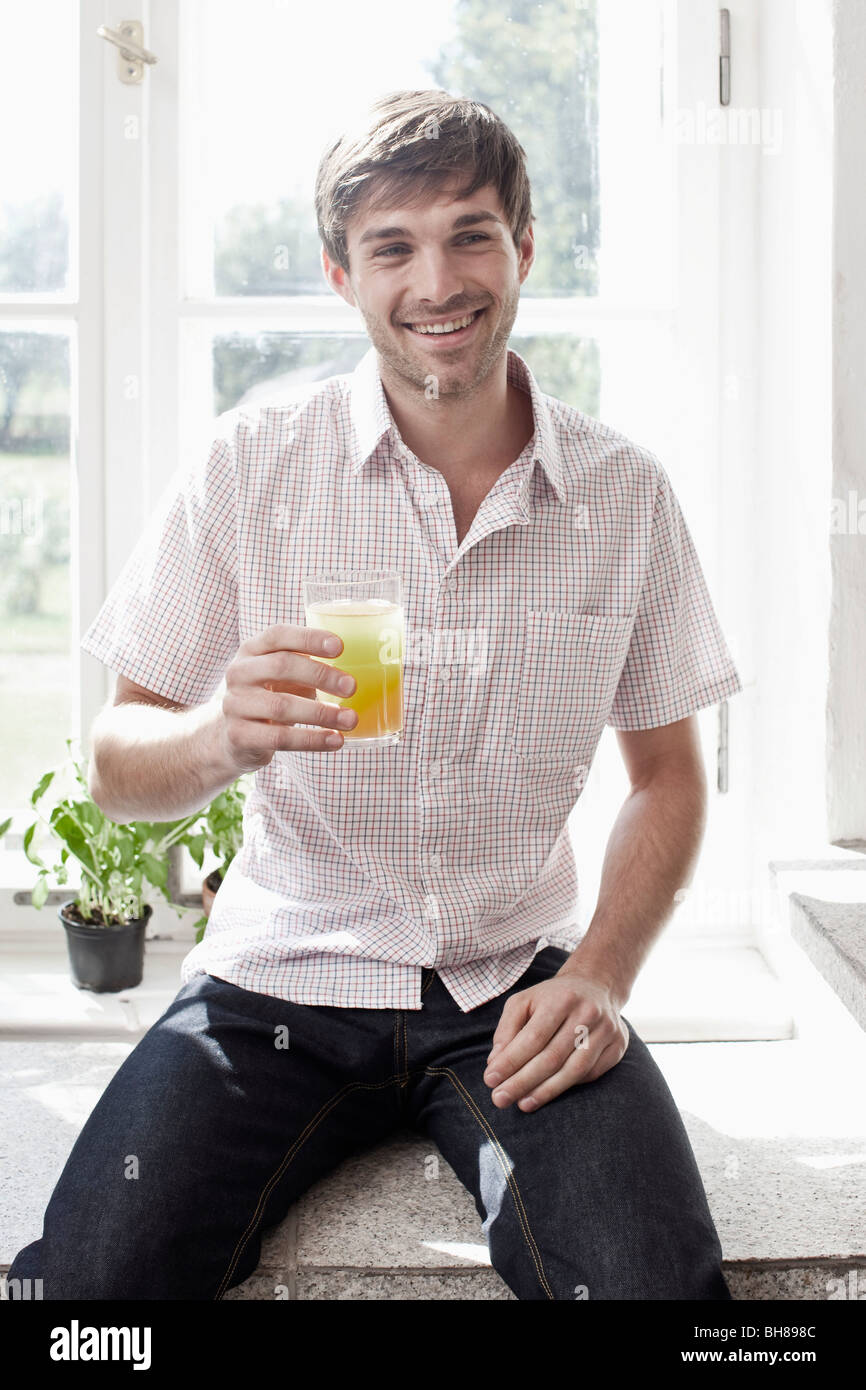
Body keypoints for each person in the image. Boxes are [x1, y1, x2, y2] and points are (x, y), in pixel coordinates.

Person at [9, 89, 742, 1301]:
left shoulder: (623, 496)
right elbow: (114, 758)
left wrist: (600, 973)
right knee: (88, 1293)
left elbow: (666, 773)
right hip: (275, 980)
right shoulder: (253, 464)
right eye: (390, 246)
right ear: (338, 275)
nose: (436, 280)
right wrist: (215, 737)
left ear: (524, 248)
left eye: (469, 233)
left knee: (657, 1297)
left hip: (513, 986)